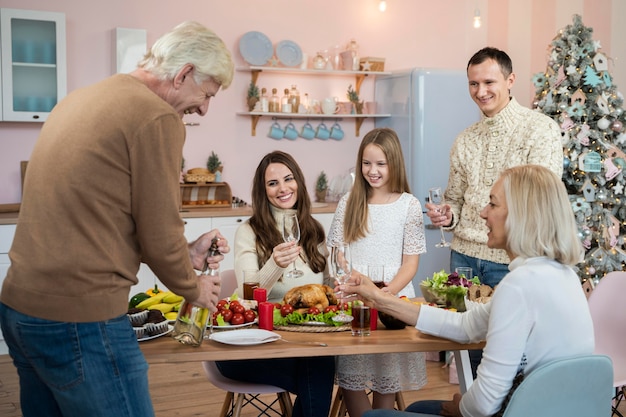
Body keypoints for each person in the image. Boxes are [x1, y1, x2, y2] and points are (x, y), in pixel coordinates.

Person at [0, 21, 234, 417]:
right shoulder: (157, 116)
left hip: (20, 311)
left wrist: (186, 252)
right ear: (183, 73)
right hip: (78, 318)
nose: (204, 108)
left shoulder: (82, 98)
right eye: (206, 94)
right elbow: (159, 230)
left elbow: (103, 215)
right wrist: (192, 287)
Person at [342, 165, 593, 417]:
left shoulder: (519, 286)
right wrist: (377, 297)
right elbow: (465, 326)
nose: (483, 213)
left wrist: (461, 408)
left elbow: (484, 403)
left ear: (521, 215)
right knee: (419, 408)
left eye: (493, 205)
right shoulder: (563, 276)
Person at [424, 47, 563, 375]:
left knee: (514, 359)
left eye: (489, 82)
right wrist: (448, 215)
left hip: (512, 260)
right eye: (473, 84)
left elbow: (542, 201)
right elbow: (455, 199)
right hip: (463, 258)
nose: (480, 91)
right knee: (468, 355)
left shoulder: (540, 130)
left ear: (510, 79)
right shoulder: (464, 140)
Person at [216, 150, 335, 417]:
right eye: (272, 183)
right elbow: (247, 293)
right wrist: (274, 265)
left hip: (302, 345)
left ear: (299, 183)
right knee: (320, 371)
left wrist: (342, 282)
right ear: (263, 190)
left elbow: (327, 286)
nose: (283, 188)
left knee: (319, 365)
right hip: (253, 346)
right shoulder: (249, 231)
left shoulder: (314, 229)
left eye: (288, 179)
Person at [327, 128, 428, 417]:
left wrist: (385, 295)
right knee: (352, 375)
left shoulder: (409, 205)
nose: (373, 171)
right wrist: (357, 283)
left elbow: (410, 264)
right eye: (367, 163)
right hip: (355, 298)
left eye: (380, 164)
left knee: (387, 378)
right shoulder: (350, 202)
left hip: (393, 301)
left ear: (394, 163)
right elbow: (337, 252)